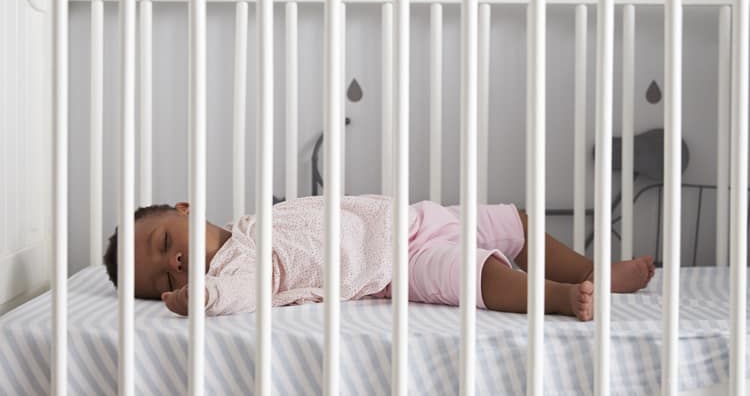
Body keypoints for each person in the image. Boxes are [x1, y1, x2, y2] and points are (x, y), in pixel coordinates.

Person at [103, 195, 655, 321]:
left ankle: (590, 270)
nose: (174, 262)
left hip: (414, 218)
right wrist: (200, 296)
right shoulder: (236, 269)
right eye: (160, 280)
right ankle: (560, 297)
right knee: (476, 272)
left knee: (514, 220)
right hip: (394, 268)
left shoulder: (254, 222)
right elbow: (245, 295)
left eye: (166, 244)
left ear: (186, 208)